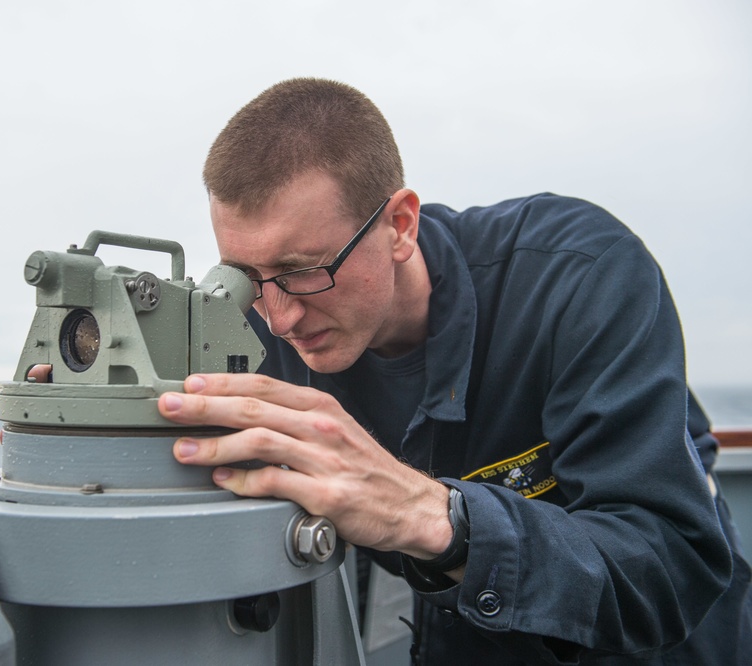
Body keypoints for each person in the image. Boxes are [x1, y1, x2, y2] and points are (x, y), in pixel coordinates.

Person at [153, 78, 751, 664]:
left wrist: (433, 516)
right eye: (245, 278)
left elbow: (669, 565)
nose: (278, 319)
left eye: (304, 270)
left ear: (400, 227)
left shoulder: (578, 277)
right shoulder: (254, 327)